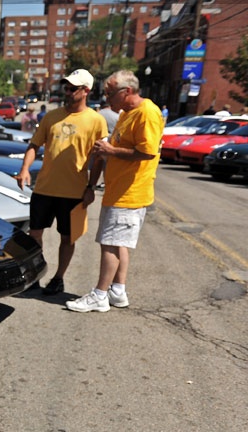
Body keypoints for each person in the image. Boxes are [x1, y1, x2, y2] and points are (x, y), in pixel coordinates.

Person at [66, 69, 164, 313]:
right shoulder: (127, 113)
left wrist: (110, 151)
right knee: (119, 244)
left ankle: (100, 295)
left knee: (109, 243)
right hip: (120, 191)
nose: (106, 97)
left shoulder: (147, 113)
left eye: (110, 93)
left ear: (127, 91)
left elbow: (148, 152)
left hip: (129, 194)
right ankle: (117, 291)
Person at [16, 69, 108, 296]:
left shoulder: (96, 121)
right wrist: (24, 169)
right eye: (65, 87)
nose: (67, 91)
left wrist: (91, 187)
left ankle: (58, 279)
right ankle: (35, 274)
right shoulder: (51, 116)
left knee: (67, 238)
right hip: (45, 188)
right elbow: (34, 145)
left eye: (72, 88)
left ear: (86, 91)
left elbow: (98, 158)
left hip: (74, 192)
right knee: (35, 234)